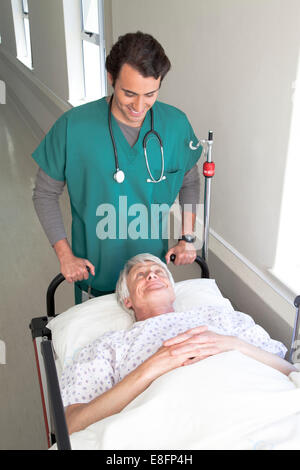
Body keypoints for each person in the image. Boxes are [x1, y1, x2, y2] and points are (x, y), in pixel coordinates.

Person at [32, 32, 203, 304]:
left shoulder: (175, 124)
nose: (139, 106)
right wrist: (65, 255)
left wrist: (188, 237)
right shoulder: (73, 127)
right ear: (111, 78)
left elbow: (190, 182)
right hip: (95, 276)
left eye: (150, 94)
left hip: (151, 276)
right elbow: (44, 193)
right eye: (128, 93)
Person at [60, 253, 297, 435]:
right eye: (140, 276)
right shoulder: (110, 346)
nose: (151, 275)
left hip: (256, 408)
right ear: (127, 300)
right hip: (176, 424)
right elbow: (74, 423)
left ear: (173, 292)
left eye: (158, 272)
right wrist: (151, 368)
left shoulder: (221, 317)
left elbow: (290, 371)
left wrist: (235, 345)